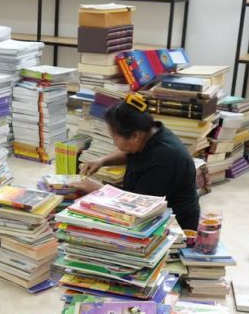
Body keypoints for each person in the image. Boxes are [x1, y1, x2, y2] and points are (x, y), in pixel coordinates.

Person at [78, 94, 201, 231]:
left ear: (135, 136)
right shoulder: (150, 133)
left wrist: (100, 190)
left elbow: (139, 204)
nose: (114, 143)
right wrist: (102, 161)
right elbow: (129, 151)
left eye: (115, 137)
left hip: (173, 224)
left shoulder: (164, 158)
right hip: (147, 204)